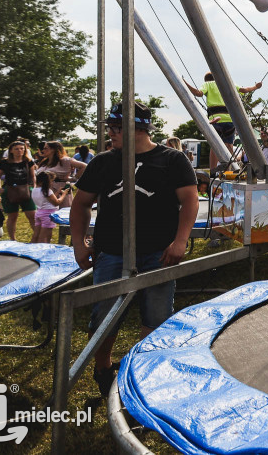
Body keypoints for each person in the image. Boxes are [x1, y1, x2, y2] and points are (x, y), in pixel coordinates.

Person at [69, 101, 199, 398]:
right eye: (110, 128)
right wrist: (79, 242)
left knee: (156, 313)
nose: (110, 133)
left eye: (115, 128)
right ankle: (103, 368)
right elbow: (81, 205)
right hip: (111, 251)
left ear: (136, 129)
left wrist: (180, 241)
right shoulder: (102, 162)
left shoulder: (171, 159)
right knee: (103, 316)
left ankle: (142, 374)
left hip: (158, 251)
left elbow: (189, 201)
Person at [183, 73, 263, 173]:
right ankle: (230, 170)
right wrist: (256, 86)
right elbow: (244, 90)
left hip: (216, 118)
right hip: (229, 120)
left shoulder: (208, 84)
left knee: (215, 145)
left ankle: (212, 170)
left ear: (207, 80)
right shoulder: (227, 83)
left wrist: (185, 83)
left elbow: (198, 93)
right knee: (229, 145)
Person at [0, 140, 36, 241]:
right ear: (11, 151)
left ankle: (37, 237)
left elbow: (33, 176)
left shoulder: (28, 161)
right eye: (16, 149)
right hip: (10, 190)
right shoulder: (5, 162)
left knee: (32, 215)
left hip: (26, 190)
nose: (19, 151)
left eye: (22, 148)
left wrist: (34, 187)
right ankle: (13, 239)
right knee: (12, 216)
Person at [37, 141, 87, 212]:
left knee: (64, 214)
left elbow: (84, 166)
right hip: (45, 192)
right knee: (46, 216)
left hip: (60, 190)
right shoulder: (44, 162)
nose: (43, 150)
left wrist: (74, 178)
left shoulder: (65, 160)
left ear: (53, 149)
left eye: (45, 148)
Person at [31, 170, 70, 243]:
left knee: (36, 235)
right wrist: (64, 194)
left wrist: (58, 192)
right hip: (48, 215)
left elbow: (48, 200)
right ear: (45, 182)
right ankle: (43, 250)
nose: (52, 183)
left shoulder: (34, 190)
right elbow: (57, 202)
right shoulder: (47, 191)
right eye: (51, 181)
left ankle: (30, 249)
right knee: (45, 237)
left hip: (39, 213)